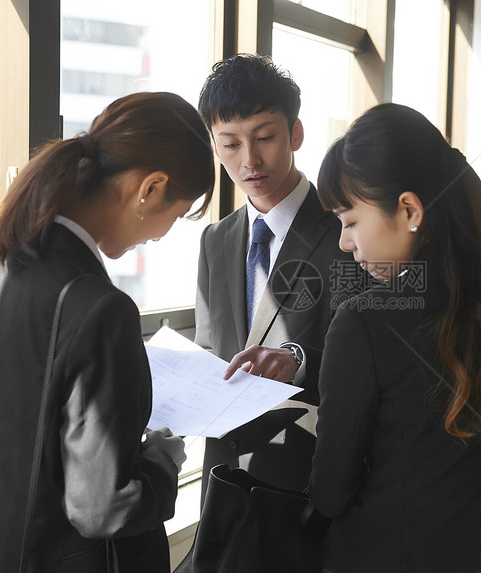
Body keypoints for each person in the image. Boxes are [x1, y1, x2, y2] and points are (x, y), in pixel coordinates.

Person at [0, 91, 216, 572]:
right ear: (151, 188)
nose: (163, 234)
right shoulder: (100, 308)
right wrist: (162, 462)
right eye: (177, 212)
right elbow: (104, 507)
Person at [307, 103, 481, 573]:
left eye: (350, 221)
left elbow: (331, 493)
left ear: (410, 209)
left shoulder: (365, 321)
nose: (344, 242)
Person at [194, 53, 357, 491]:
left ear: (295, 134)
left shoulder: (348, 228)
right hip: (224, 476)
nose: (250, 161)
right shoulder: (215, 240)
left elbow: (371, 359)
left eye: (264, 137)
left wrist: (299, 361)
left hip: (308, 481)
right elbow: (210, 348)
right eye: (230, 144)